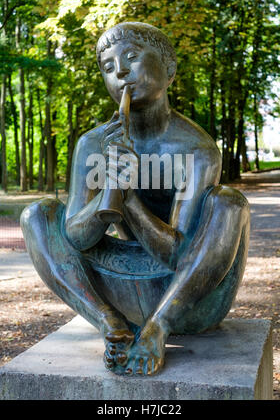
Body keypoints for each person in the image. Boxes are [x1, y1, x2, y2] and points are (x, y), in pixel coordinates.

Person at [21, 22, 250, 376]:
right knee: (38, 214)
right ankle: (107, 322)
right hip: (115, 290)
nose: (120, 72)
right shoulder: (93, 145)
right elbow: (76, 239)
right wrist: (106, 196)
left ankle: (157, 328)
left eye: (131, 57)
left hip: (188, 297)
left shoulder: (195, 149)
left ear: (169, 69)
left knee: (230, 203)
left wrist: (127, 199)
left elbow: (179, 255)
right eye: (108, 67)